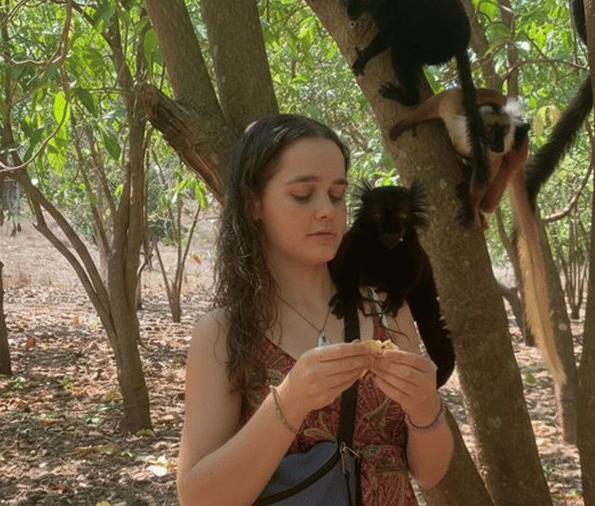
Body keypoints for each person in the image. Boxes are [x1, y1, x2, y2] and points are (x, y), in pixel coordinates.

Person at [176, 114, 454, 505]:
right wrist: (289, 401)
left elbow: (429, 471)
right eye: (303, 194)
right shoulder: (223, 330)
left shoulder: (386, 311)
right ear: (255, 204)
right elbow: (199, 498)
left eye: (337, 195)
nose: (327, 210)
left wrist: (426, 407)